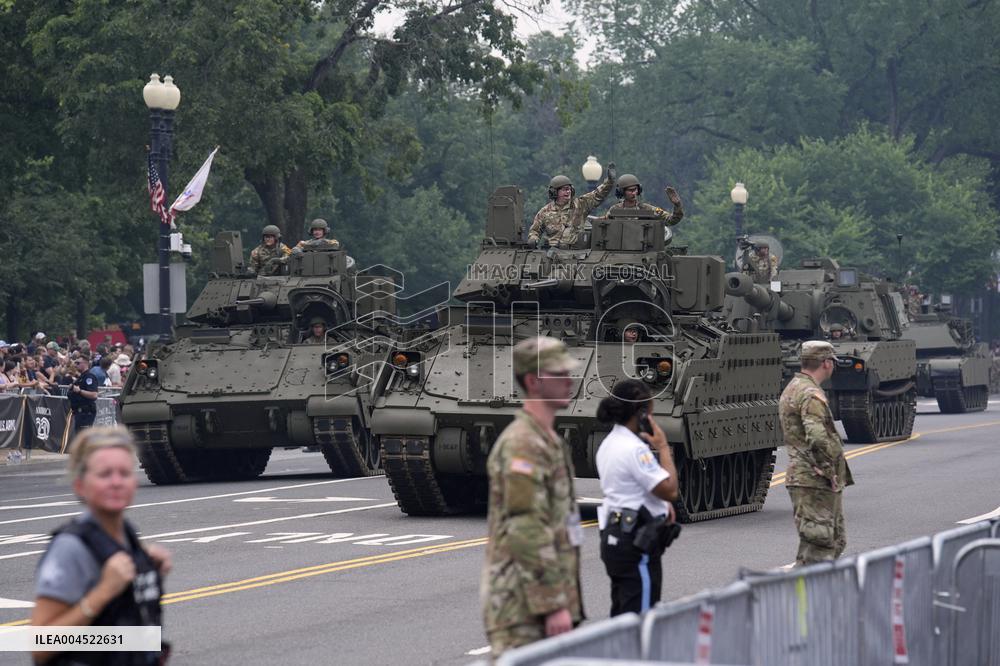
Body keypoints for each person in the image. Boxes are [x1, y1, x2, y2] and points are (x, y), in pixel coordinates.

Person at [32, 427, 171, 665]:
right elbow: (41, 645)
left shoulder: (127, 535)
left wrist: (146, 570)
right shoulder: (71, 547)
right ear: (80, 486)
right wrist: (103, 592)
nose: (116, 482)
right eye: (105, 474)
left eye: (125, 473)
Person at [481, 337, 584, 658]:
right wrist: (553, 604)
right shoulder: (523, 443)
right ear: (533, 381)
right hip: (521, 606)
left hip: (537, 601)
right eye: (559, 374)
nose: (570, 380)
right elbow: (525, 526)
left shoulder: (547, 439)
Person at [595, 379, 679, 616]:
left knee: (622, 616)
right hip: (635, 542)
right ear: (642, 412)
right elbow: (670, 489)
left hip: (615, 535)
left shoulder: (609, 443)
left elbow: (631, 489)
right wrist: (663, 447)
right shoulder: (634, 449)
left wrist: (660, 505)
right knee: (640, 621)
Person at [779, 340, 854, 567]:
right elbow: (817, 437)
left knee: (829, 543)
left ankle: (803, 596)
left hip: (806, 478)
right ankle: (803, 599)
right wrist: (829, 471)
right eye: (832, 361)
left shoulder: (794, 387)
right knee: (820, 551)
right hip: (815, 479)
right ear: (826, 363)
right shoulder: (811, 394)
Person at [528, 164, 616, 249]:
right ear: (554, 192)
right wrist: (533, 239)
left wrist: (609, 181)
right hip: (552, 254)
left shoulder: (581, 205)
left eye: (569, 189)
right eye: (564, 189)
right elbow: (535, 230)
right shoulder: (545, 212)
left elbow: (597, 194)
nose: (568, 192)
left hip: (576, 254)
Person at [607, 174, 683, 225]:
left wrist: (677, 205)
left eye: (635, 189)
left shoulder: (648, 209)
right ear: (622, 192)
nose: (634, 193)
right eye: (630, 190)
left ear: (639, 190)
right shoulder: (614, 210)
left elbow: (671, 220)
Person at [68, 357, 100, 433]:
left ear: (85, 364)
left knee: (83, 436)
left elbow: (94, 395)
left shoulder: (89, 377)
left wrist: (80, 391)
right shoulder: (81, 377)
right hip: (79, 411)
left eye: (78, 363)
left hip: (85, 412)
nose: (76, 365)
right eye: (75, 363)